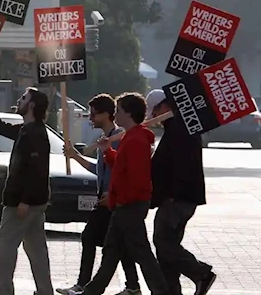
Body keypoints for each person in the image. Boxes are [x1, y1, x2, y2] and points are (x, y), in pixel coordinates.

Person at [76, 92, 168, 295]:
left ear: (128, 113)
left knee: (140, 252)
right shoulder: (130, 137)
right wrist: (108, 151)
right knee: (112, 250)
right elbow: (120, 165)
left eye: (118, 110)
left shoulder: (136, 139)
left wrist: (119, 198)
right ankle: (93, 290)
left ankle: (161, 291)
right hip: (124, 203)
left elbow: (135, 177)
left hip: (130, 204)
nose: (115, 114)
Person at [58, 94, 141, 295]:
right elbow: (99, 169)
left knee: (90, 238)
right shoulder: (105, 140)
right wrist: (75, 156)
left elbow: (121, 170)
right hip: (107, 198)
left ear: (105, 114)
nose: (91, 119)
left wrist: (112, 193)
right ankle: (133, 286)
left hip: (112, 199)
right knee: (121, 245)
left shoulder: (118, 138)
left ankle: (84, 285)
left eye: (94, 114)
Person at [0, 87, 54, 295]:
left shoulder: (36, 134)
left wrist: (25, 200)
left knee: (6, 245)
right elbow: (3, 128)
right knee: (36, 249)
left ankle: (2, 291)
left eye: (23, 98)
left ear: (31, 106)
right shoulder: (27, 129)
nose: (19, 101)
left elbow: (36, 170)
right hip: (31, 202)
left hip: (23, 203)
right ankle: (44, 291)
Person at [146, 89, 216, 295]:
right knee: (168, 247)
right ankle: (171, 291)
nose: (153, 117)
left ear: (165, 106)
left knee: (163, 243)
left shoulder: (179, 129)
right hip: (184, 197)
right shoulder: (183, 127)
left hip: (176, 198)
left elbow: (166, 167)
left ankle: (201, 273)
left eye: (155, 111)